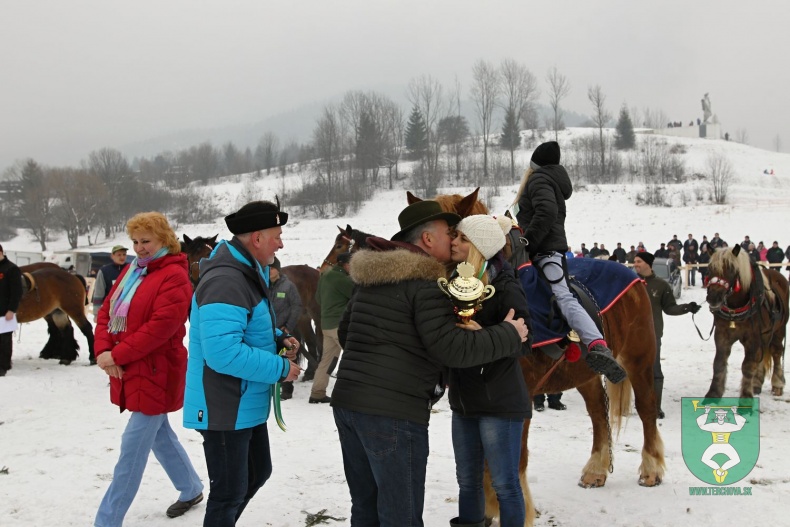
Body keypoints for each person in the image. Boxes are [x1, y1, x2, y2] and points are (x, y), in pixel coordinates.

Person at [331, 199, 530, 527]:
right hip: (393, 414)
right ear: (426, 240)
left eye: (460, 236)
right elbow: (452, 348)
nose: (453, 239)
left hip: (348, 405)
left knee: (365, 508)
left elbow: (345, 331)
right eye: (448, 232)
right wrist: (509, 334)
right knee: (401, 515)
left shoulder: (371, 279)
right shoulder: (428, 283)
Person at [183, 200, 301, 526]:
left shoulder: (248, 271)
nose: (281, 242)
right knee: (229, 492)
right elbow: (223, 353)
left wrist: (277, 337)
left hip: (242, 399)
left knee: (257, 473)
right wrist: (280, 368)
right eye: (277, 235)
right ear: (257, 238)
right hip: (224, 404)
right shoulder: (227, 279)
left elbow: (245, 324)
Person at [93, 212, 204, 526]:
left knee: (131, 450)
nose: (139, 248)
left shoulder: (174, 276)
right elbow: (106, 312)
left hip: (157, 370)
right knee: (159, 436)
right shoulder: (133, 271)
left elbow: (161, 328)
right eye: (136, 242)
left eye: (146, 241)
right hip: (131, 368)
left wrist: (118, 356)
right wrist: (103, 349)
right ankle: (191, 487)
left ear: (164, 241)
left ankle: (106, 520)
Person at [514, 141, 626, 383]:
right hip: (544, 251)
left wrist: (526, 242)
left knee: (563, 296)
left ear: (534, 164)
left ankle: (596, 344)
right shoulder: (550, 180)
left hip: (542, 253)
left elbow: (546, 213)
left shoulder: (538, 180)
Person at [447, 214, 532, 527]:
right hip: (464, 402)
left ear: (479, 247)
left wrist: (484, 333)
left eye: (462, 239)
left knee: (504, 483)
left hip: (500, 402)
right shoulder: (454, 283)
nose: (453, 242)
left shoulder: (507, 286)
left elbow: (526, 340)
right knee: (467, 481)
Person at [632, 251, 700, 419]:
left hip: (652, 336)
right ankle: (626, 406)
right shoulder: (630, 284)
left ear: (648, 263)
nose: (635, 264)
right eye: (634, 262)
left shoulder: (661, 285)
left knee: (655, 372)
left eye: (639, 261)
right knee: (627, 372)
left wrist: (687, 308)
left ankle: (655, 408)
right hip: (629, 337)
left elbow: (670, 308)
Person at [310, 250, 354, 404]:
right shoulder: (343, 279)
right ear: (346, 264)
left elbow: (318, 299)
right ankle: (355, 395)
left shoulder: (325, 277)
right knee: (356, 358)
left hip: (326, 326)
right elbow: (356, 294)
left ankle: (317, 393)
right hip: (340, 326)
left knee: (327, 361)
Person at [269, 257, 303, 401]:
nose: (270, 271)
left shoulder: (288, 286)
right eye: (268, 268)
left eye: (272, 268)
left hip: (285, 331)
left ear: (278, 269)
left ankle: (287, 390)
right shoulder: (263, 285)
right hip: (270, 330)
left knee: (287, 360)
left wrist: (288, 327)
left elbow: (297, 306)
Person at [0, 243, 22, 377]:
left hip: (5, 312)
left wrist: (11, 310)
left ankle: (3, 366)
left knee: (4, 340)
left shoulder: (11, 269)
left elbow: (16, 292)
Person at [92, 245, 129, 321]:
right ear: (112, 256)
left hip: (128, 309)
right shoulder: (104, 271)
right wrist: (96, 313)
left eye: (124, 254)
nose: (122, 257)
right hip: (110, 310)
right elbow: (98, 293)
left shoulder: (131, 269)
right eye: (119, 255)